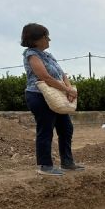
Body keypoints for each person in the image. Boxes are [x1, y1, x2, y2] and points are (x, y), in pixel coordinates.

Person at [21, 23, 84, 176]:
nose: (49, 39)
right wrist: (67, 89)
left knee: (66, 128)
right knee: (46, 129)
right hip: (38, 96)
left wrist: (69, 89)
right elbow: (44, 77)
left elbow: (62, 74)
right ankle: (45, 166)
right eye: (46, 36)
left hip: (57, 95)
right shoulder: (31, 54)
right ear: (36, 39)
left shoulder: (48, 55)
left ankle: (67, 162)